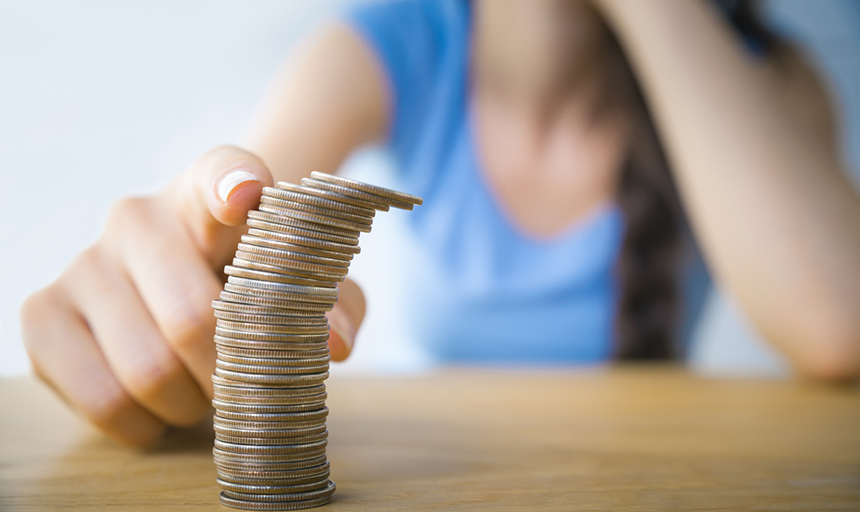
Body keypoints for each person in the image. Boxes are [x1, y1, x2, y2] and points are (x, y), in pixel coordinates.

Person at [20, 0, 860, 446]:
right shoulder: (399, 39)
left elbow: (840, 321)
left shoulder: (766, 83)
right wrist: (175, 273)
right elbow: (236, 233)